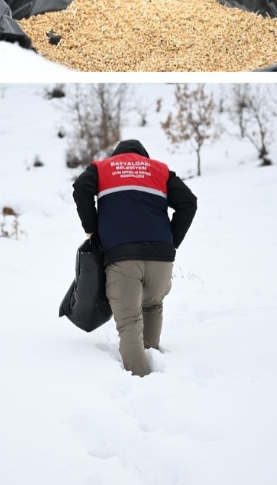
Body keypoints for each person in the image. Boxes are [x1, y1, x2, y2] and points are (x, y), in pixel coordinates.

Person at [72, 140, 197, 377]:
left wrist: (91, 228)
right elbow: (189, 203)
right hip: (161, 260)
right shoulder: (160, 170)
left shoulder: (102, 168)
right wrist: (171, 241)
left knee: (129, 322)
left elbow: (81, 188)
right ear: (143, 156)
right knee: (153, 305)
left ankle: (141, 383)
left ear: (116, 154)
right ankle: (153, 363)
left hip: (122, 258)